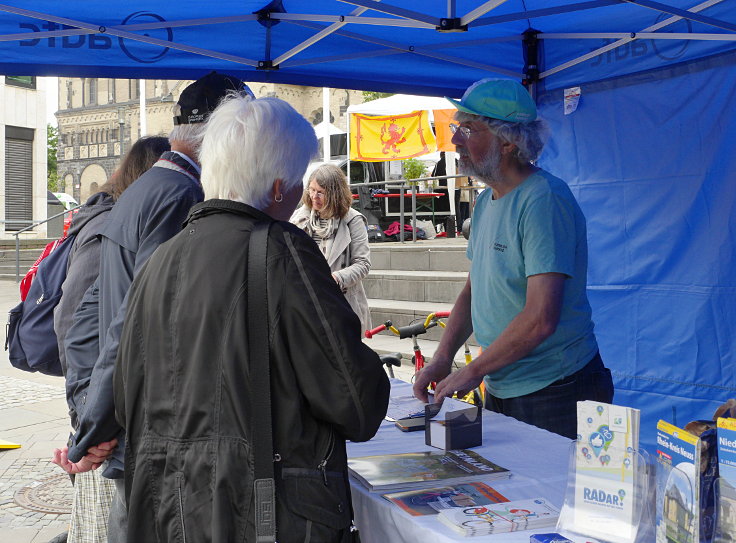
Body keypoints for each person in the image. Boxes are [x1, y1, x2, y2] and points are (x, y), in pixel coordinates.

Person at [113, 95, 389, 542]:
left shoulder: (160, 260)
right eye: (299, 178)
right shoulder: (284, 252)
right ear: (279, 188)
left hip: (167, 511)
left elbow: (128, 399)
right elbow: (355, 402)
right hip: (262, 513)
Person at [51, 72, 252, 542]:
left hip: (134, 431)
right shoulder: (182, 196)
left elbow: (82, 323)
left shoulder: (141, 189)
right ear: (222, 133)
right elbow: (134, 321)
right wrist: (94, 429)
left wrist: (90, 417)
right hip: (156, 432)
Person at [413, 78, 613, 440]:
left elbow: (540, 319)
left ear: (508, 142)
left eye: (468, 128)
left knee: (551, 495)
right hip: (505, 381)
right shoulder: (486, 201)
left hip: (557, 388)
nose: (456, 139)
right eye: (457, 127)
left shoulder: (543, 200)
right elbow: (474, 292)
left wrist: (472, 371)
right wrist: (444, 357)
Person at [54, 136, 170, 543]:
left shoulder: (121, 218)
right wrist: (90, 421)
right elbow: (74, 325)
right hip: (108, 427)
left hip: (109, 420)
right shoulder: (110, 224)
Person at [291, 163, 372, 332]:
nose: (314, 196)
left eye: (320, 192)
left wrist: (335, 278)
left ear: (335, 193)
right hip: (306, 304)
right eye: (311, 190)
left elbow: (363, 264)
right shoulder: (299, 217)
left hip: (341, 304)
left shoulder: (353, 220)